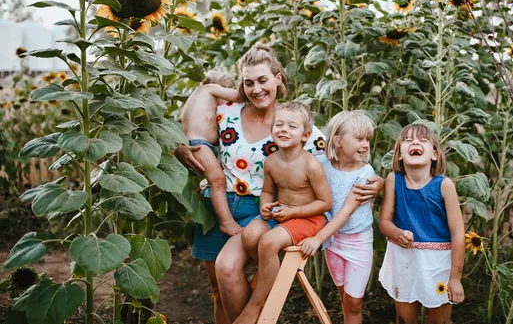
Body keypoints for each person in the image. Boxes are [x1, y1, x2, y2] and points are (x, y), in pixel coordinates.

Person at [174, 44, 384, 324]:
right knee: (216, 290)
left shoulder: (293, 124)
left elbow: (338, 159)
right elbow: (194, 131)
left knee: (228, 270)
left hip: (261, 211)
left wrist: (376, 180)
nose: (256, 89)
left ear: (278, 79)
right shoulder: (227, 112)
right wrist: (179, 146)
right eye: (248, 83)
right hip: (218, 205)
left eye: (263, 80)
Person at [233, 101, 332, 324]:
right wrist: (265, 206)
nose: (284, 130)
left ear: (305, 135)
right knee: (249, 235)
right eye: (279, 125)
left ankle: (254, 306)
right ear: (271, 130)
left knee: (267, 243)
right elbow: (268, 191)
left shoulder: (311, 165)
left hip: (309, 218)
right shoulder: (271, 162)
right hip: (281, 214)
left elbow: (325, 203)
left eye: (291, 126)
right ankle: (269, 271)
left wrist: (294, 212)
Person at [378, 123, 465, 324]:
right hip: (404, 259)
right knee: (405, 319)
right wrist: (396, 232)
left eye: (423, 141)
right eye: (407, 140)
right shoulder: (394, 179)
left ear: (434, 154)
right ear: (399, 154)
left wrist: (455, 278)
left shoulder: (444, 185)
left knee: (438, 319)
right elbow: (384, 221)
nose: (415, 142)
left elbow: (458, 234)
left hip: (438, 263)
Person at [299, 110, 377, 324]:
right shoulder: (320, 164)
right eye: (359, 138)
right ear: (338, 140)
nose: (365, 145)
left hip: (358, 242)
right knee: (344, 298)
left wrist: (317, 239)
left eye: (368, 140)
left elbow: (345, 212)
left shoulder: (365, 173)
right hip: (333, 242)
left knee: (354, 302)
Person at [181, 68, 243, 237]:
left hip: (196, 144)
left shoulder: (197, 101)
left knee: (214, 180)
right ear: (221, 88)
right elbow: (240, 95)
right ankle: (226, 222)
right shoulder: (209, 89)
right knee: (218, 180)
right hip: (199, 145)